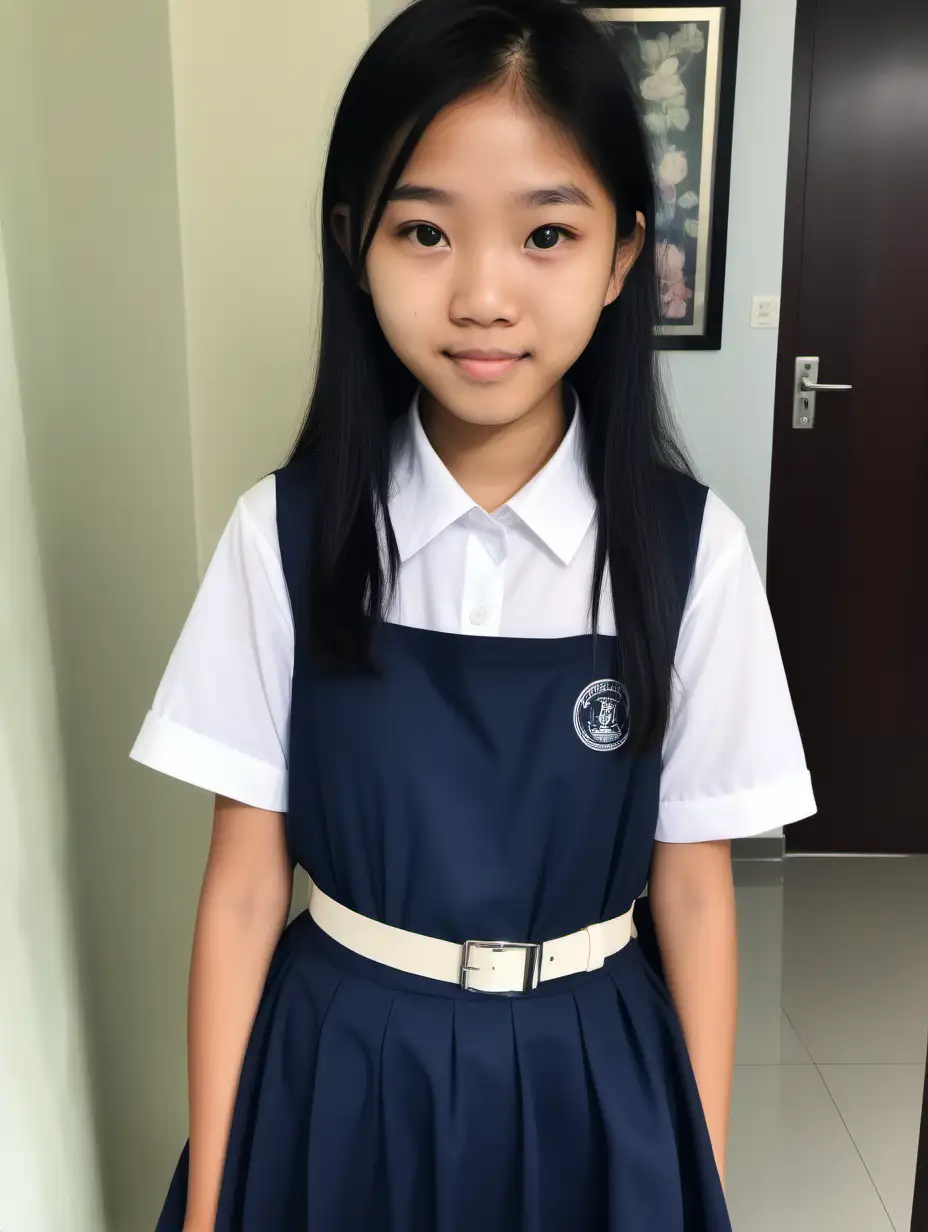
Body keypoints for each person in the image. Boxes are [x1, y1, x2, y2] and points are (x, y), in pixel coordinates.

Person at [130, 0, 816, 1227]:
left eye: (546, 231)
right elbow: (241, 889)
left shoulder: (686, 550)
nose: (485, 294)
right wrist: (211, 1203)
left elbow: (696, 894)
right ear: (355, 244)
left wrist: (692, 1179)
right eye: (425, 231)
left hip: (589, 1073)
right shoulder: (279, 538)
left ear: (620, 259)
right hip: (337, 1072)